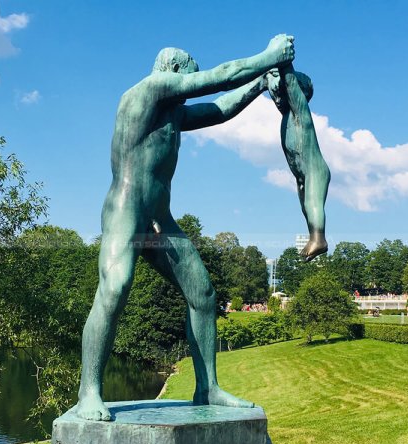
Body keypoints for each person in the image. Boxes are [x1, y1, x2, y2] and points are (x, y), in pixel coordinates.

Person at [76, 35, 295, 421]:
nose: (191, 86)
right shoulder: (149, 89)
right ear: (176, 71)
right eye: (189, 78)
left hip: (159, 220)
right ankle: (89, 392)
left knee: (203, 293)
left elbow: (222, 107)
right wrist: (268, 57)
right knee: (115, 287)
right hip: (126, 213)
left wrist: (262, 83)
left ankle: (206, 387)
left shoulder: (174, 113)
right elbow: (219, 79)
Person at [267, 64, 330, 261]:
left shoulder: (300, 112)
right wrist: (269, 76)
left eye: (282, 94)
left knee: (312, 204)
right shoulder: (286, 115)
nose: (278, 100)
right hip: (302, 174)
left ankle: (319, 239)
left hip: (314, 170)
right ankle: (314, 237)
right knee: (305, 208)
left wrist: (283, 63)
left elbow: (290, 83)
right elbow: (275, 89)